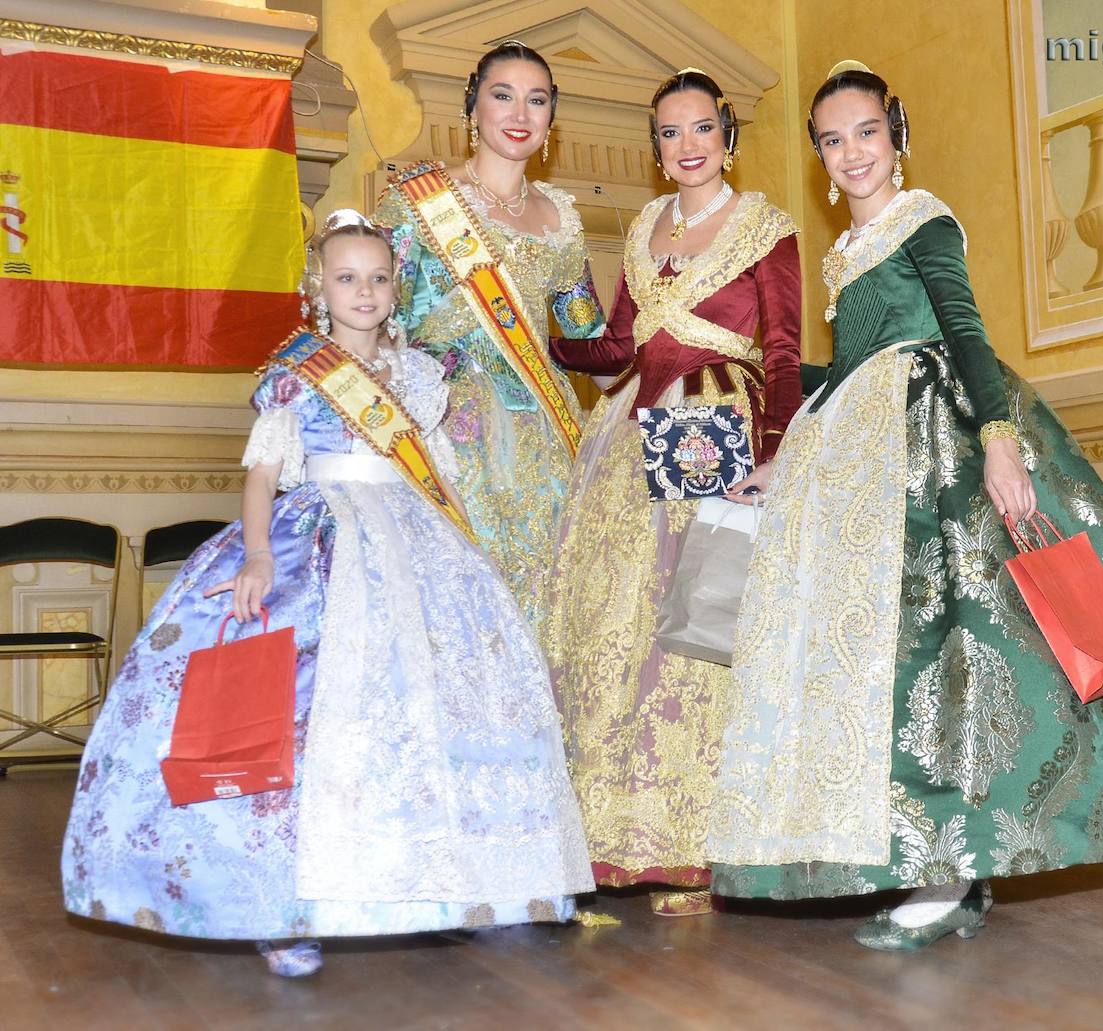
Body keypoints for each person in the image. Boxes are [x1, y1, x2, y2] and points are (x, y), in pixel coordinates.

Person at [706, 62, 1103, 950]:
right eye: (833, 140)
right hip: (862, 455)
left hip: (937, 444)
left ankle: (949, 873)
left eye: (867, 133)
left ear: (897, 134)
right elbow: (849, 368)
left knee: (955, 655)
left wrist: (998, 438)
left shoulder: (924, 220)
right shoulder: (846, 251)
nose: (852, 153)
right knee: (894, 667)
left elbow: (964, 331)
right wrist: (784, 458)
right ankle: (941, 863)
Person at [61, 211, 593, 976]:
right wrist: (253, 555)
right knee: (305, 714)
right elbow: (263, 474)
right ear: (320, 289)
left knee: (441, 705)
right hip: (318, 538)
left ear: (394, 287)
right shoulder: (296, 373)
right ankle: (284, 908)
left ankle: (465, 887)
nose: (365, 290)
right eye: (347, 278)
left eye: (378, 277)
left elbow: (439, 475)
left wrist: (470, 556)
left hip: (416, 539)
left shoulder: (419, 376)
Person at [546, 69, 802, 916]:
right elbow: (619, 344)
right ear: (655, 147)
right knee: (615, 616)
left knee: (694, 616)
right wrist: (557, 332)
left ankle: (692, 837)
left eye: (700, 128)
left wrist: (770, 454)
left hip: (716, 431)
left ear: (727, 133)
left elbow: (783, 355)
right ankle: (611, 832)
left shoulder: (768, 227)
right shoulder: (649, 224)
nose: (686, 145)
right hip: (631, 429)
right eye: (669, 133)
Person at [373, 40, 605, 632]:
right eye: (503, 96)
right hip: (448, 428)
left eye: (537, 101)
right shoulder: (418, 203)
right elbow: (377, 325)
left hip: (547, 436)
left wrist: (687, 370)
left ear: (553, 117)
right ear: (473, 107)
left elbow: (591, 342)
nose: (520, 115)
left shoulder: (562, 218)